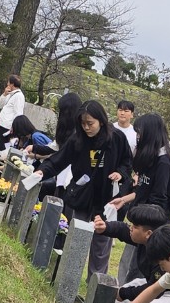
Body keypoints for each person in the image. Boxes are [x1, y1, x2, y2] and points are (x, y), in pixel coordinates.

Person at [36, 99, 132, 279]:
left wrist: (120, 174)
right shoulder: (77, 138)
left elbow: (127, 163)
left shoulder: (117, 138)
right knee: (77, 237)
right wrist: (42, 171)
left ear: (101, 121)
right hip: (82, 196)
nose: (86, 127)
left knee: (101, 243)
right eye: (83, 123)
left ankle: (95, 282)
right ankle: (68, 276)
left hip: (106, 199)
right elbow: (59, 160)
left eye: (90, 123)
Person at [111, 112, 170, 221]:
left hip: (151, 223)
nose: (137, 137)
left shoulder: (164, 163)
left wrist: (141, 222)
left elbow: (158, 200)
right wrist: (123, 200)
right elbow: (144, 190)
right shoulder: (151, 158)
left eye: (140, 134)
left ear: (150, 135)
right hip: (142, 218)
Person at [0, 75, 25, 151]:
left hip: (8, 127)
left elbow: (18, 113)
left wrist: (14, 127)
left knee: (2, 148)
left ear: (12, 84)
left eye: (8, 83)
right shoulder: (11, 94)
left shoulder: (19, 96)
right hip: (2, 124)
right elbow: (1, 105)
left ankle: (0, 161)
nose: (7, 84)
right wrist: (4, 94)